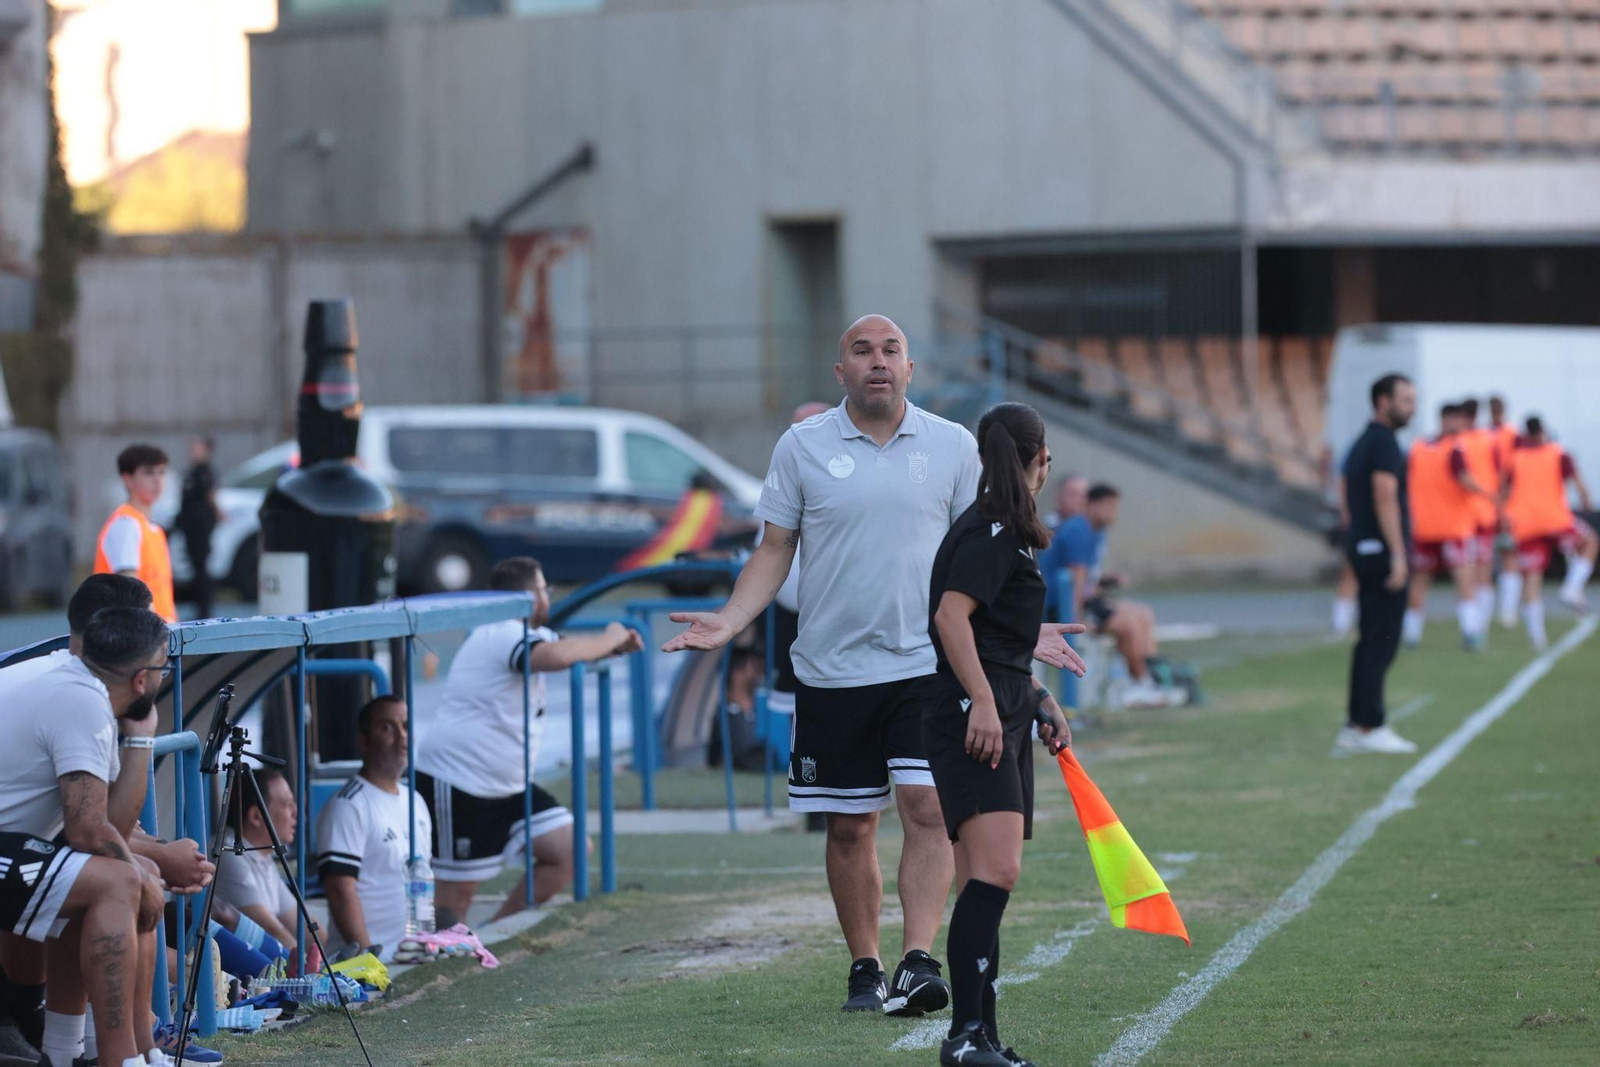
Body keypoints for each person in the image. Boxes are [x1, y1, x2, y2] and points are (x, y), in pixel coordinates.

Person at [663, 314, 1083, 1018]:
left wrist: (1017, 634)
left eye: (891, 350)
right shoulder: (802, 446)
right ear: (841, 372)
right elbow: (774, 549)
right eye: (862, 351)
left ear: (911, 369)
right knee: (851, 825)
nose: (878, 361)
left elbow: (977, 555)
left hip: (929, 666)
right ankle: (866, 965)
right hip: (831, 670)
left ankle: (919, 959)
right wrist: (732, 618)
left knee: (928, 806)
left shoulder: (951, 446)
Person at [0, 576, 214, 1062]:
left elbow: (104, 826)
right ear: (142, 679)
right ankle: (121, 1060)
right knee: (119, 883)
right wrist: (143, 874)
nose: (168, 676)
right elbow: (89, 830)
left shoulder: (87, 690)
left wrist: (140, 738)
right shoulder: (81, 700)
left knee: (111, 878)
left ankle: (78, 1052)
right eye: (164, 667)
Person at [924, 402, 1074, 1067]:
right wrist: (983, 700)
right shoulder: (988, 530)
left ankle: (982, 1036)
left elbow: (996, 637)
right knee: (996, 871)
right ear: (1040, 458)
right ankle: (963, 1037)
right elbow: (950, 619)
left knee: (986, 878)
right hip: (971, 713)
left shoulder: (1009, 532)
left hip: (1005, 706)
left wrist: (1036, 696)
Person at [417, 557, 636, 927]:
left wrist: (616, 643)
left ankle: (492, 935)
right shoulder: (500, 631)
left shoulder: (526, 633)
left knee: (571, 851)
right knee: (458, 893)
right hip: (459, 779)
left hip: (507, 784)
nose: (547, 598)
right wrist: (610, 638)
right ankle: (442, 953)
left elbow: (568, 646)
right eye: (543, 590)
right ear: (529, 596)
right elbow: (554, 656)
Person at [315, 697, 434, 963]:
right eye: (387, 728)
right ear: (364, 740)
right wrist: (371, 962)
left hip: (413, 957)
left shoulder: (415, 801)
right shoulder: (348, 806)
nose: (401, 737)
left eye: (405, 726)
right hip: (368, 965)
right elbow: (339, 890)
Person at [1337, 373, 1419, 756]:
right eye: (1404, 399)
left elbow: (1345, 495)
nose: (1411, 407)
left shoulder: (1360, 443)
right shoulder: (1383, 442)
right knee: (1380, 643)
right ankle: (1370, 725)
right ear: (1382, 400)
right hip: (1382, 554)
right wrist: (1398, 554)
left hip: (1364, 548)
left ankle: (1358, 723)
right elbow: (1384, 496)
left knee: (1370, 640)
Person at [1044, 484, 1180, 708]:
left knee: (1142, 614)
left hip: (1081, 600)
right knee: (1126, 625)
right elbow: (1075, 580)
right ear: (1091, 505)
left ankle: (1148, 679)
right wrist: (1076, 620)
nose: (1113, 513)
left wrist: (1105, 581)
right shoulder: (1078, 529)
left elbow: (1087, 577)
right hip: (1060, 607)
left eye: (1115, 507)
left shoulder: (1095, 531)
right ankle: (1139, 683)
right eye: (1108, 507)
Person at [1502, 416, 1596, 648]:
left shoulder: (1515, 458)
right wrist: (1586, 501)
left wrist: (1504, 516)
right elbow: (1578, 483)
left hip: (1524, 524)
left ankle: (1537, 637)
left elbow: (1503, 490)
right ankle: (1572, 587)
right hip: (1554, 519)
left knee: (1532, 576)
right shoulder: (1557, 453)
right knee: (1590, 541)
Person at [1403, 404, 1489, 650]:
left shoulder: (1418, 447)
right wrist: (1486, 493)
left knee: (1421, 580)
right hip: (1454, 526)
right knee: (1464, 579)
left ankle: (1412, 634)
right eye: (1458, 420)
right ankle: (1471, 632)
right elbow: (1463, 478)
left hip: (1425, 526)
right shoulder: (1455, 448)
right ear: (1447, 419)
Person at [212, 769, 300, 954]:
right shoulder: (229, 854)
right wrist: (312, 968)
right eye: (286, 804)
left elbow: (302, 924)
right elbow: (271, 931)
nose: (295, 812)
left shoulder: (263, 854)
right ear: (256, 816)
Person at [94, 445, 177, 623]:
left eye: (161, 472)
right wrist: (157, 625)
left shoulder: (154, 530)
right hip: (136, 636)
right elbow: (130, 585)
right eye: (148, 473)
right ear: (127, 479)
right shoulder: (126, 523)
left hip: (155, 637)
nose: (157, 480)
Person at [1456, 399, 1502, 637]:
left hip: (1468, 514)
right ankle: (1477, 623)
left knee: (1473, 570)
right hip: (1480, 513)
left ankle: (1477, 623)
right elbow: (1501, 473)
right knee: (1479, 570)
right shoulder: (1489, 439)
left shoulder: (1457, 441)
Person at [175, 437, 220, 620]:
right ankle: (199, 606)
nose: (193, 451)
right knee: (195, 567)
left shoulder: (206, 473)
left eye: (197, 448)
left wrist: (217, 514)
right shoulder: (192, 472)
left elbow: (211, 496)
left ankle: (205, 609)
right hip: (189, 526)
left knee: (201, 568)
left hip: (200, 527)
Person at [706, 647, 768, 772]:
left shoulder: (758, 713)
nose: (760, 674)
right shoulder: (726, 720)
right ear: (737, 674)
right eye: (754, 667)